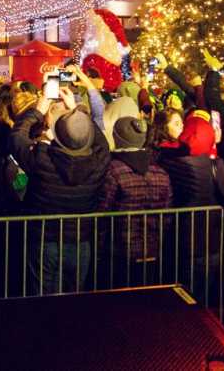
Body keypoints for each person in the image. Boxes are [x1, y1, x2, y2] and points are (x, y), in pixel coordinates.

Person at [10, 82, 111, 295]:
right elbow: (103, 144)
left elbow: (17, 137)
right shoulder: (99, 162)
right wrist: (76, 113)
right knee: (74, 299)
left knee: (42, 296)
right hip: (80, 240)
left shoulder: (42, 158)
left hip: (46, 239)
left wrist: (41, 105)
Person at [98, 116, 172, 286]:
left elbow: (103, 212)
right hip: (151, 249)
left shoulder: (113, 171)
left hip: (119, 251)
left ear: (116, 138)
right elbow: (167, 215)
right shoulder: (160, 173)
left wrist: (100, 247)